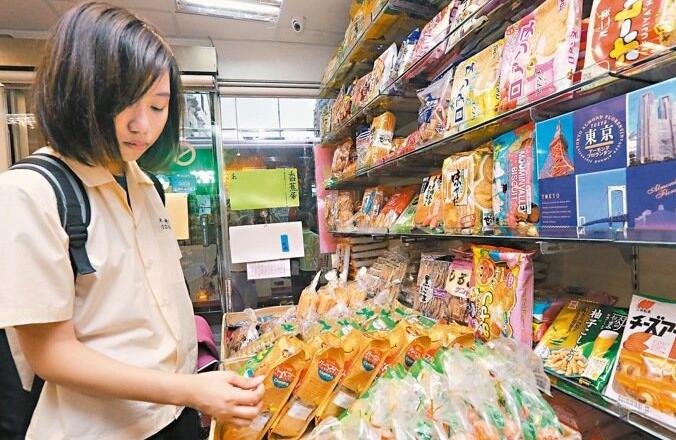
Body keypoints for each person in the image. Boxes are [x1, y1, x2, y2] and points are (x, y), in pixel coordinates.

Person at [0, 3, 263, 439]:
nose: (142, 125)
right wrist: (190, 389)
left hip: (176, 416)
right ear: (79, 93)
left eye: (158, 106)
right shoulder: (29, 192)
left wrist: (196, 386)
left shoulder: (146, 185)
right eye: (124, 104)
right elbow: (51, 355)